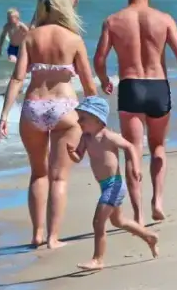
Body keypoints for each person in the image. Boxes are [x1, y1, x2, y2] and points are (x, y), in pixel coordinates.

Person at [93, 0, 177, 224]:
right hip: (158, 87)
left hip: (131, 87)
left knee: (133, 151)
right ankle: (158, 201)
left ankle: (138, 214)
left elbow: (99, 59)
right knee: (158, 146)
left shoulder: (113, 21)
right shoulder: (164, 19)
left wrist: (105, 80)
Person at [0, 0, 98, 249]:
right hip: (64, 107)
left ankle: (37, 234)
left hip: (33, 107)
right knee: (59, 177)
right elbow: (88, 84)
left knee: (38, 174)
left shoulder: (30, 37)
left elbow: (17, 78)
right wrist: (97, 118)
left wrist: (4, 115)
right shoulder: (73, 39)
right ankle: (53, 237)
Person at [67, 97, 160, 272]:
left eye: (83, 119)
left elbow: (130, 147)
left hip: (114, 185)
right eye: (78, 118)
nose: (79, 122)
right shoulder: (86, 138)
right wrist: (72, 153)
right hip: (104, 185)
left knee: (98, 222)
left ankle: (98, 259)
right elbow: (78, 157)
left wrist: (136, 167)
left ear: (97, 119)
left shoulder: (108, 136)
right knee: (118, 221)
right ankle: (149, 236)